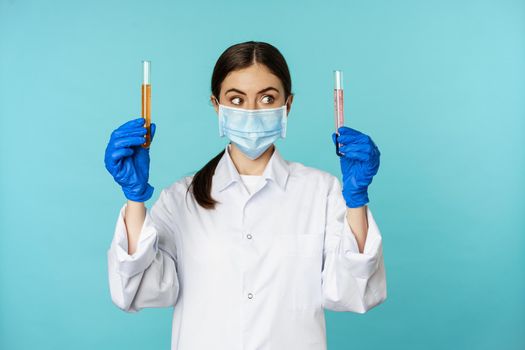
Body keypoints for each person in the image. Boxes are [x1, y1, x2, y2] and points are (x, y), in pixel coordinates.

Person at [104, 41, 386, 350]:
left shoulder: (322, 192)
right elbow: (138, 290)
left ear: (287, 105)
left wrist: (356, 199)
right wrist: (134, 198)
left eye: (267, 98)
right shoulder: (180, 199)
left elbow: (352, 293)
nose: (251, 112)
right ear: (217, 105)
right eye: (236, 99)